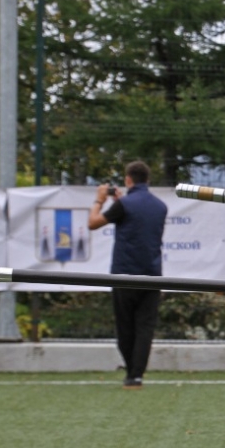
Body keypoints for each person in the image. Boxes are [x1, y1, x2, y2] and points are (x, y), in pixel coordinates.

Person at [87, 160, 167, 389]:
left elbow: (93, 223)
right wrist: (119, 203)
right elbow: (139, 222)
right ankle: (137, 375)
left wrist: (99, 201)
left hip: (124, 274)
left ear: (128, 179)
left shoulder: (124, 205)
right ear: (148, 180)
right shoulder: (160, 206)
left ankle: (130, 370)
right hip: (152, 273)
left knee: (125, 325)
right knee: (145, 326)